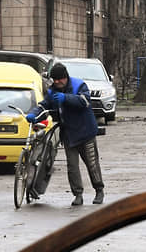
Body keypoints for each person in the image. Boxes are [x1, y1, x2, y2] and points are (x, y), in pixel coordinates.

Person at [26, 63, 104, 205]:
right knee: (72, 167)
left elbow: (85, 101)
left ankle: (99, 190)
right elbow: (44, 106)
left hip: (86, 133)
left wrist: (66, 98)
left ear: (66, 77)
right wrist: (33, 114)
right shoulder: (52, 92)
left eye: (60, 79)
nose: (57, 82)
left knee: (92, 164)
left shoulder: (79, 86)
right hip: (69, 135)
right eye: (55, 80)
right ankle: (78, 194)